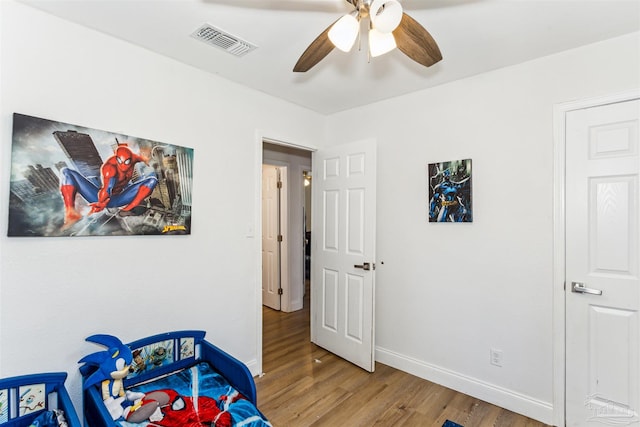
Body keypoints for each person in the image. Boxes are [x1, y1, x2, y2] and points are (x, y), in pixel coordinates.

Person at [59, 144, 158, 229]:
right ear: (116, 159)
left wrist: (145, 159)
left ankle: (127, 210)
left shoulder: (134, 158)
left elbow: (140, 158)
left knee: (152, 180)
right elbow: (107, 189)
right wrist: (101, 203)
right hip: (106, 200)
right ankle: (70, 212)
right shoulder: (109, 168)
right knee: (66, 172)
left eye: (127, 162)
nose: (124, 166)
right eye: (121, 162)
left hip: (122, 198)